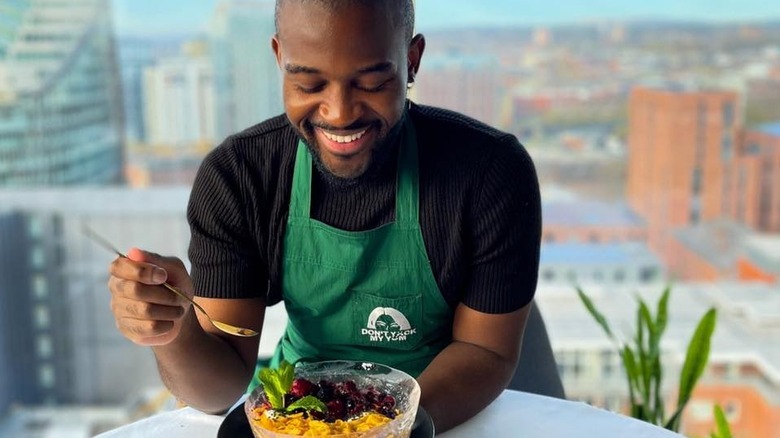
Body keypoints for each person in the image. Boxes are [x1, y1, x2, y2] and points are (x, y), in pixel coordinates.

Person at [107, 0, 541, 432]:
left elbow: (485, 350)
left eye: (371, 83)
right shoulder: (240, 177)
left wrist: (385, 427)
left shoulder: (490, 173)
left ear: (411, 61)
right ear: (280, 58)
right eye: (310, 85)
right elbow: (219, 391)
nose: (339, 112)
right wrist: (174, 331)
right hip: (298, 413)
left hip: (445, 412)